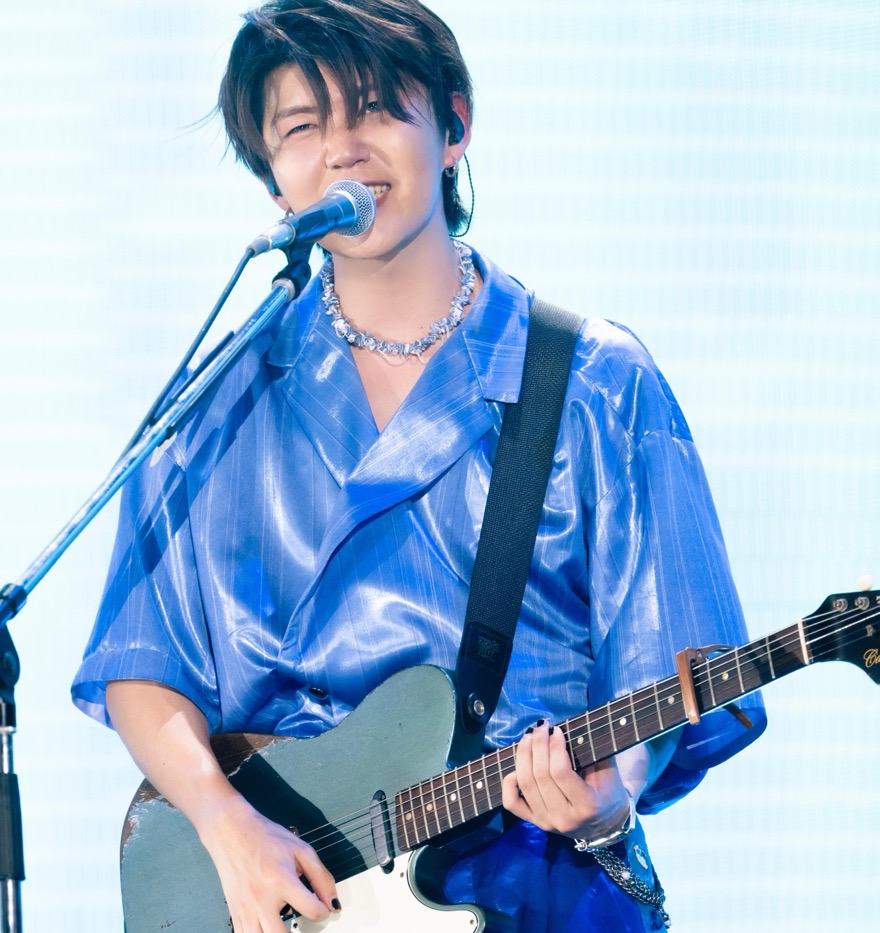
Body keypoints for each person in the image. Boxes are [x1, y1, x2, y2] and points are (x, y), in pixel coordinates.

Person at [72, 2, 765, 931]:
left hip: (537, 886)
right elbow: (143, 661)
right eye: (302, 128)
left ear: (453, 126)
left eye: (373, 109)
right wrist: (227, 823)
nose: (343, 149)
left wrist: (612, 792)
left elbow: (674, 654)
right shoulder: (216, 403)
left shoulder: (595, 380)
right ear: (274, 180)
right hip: (301, 903)